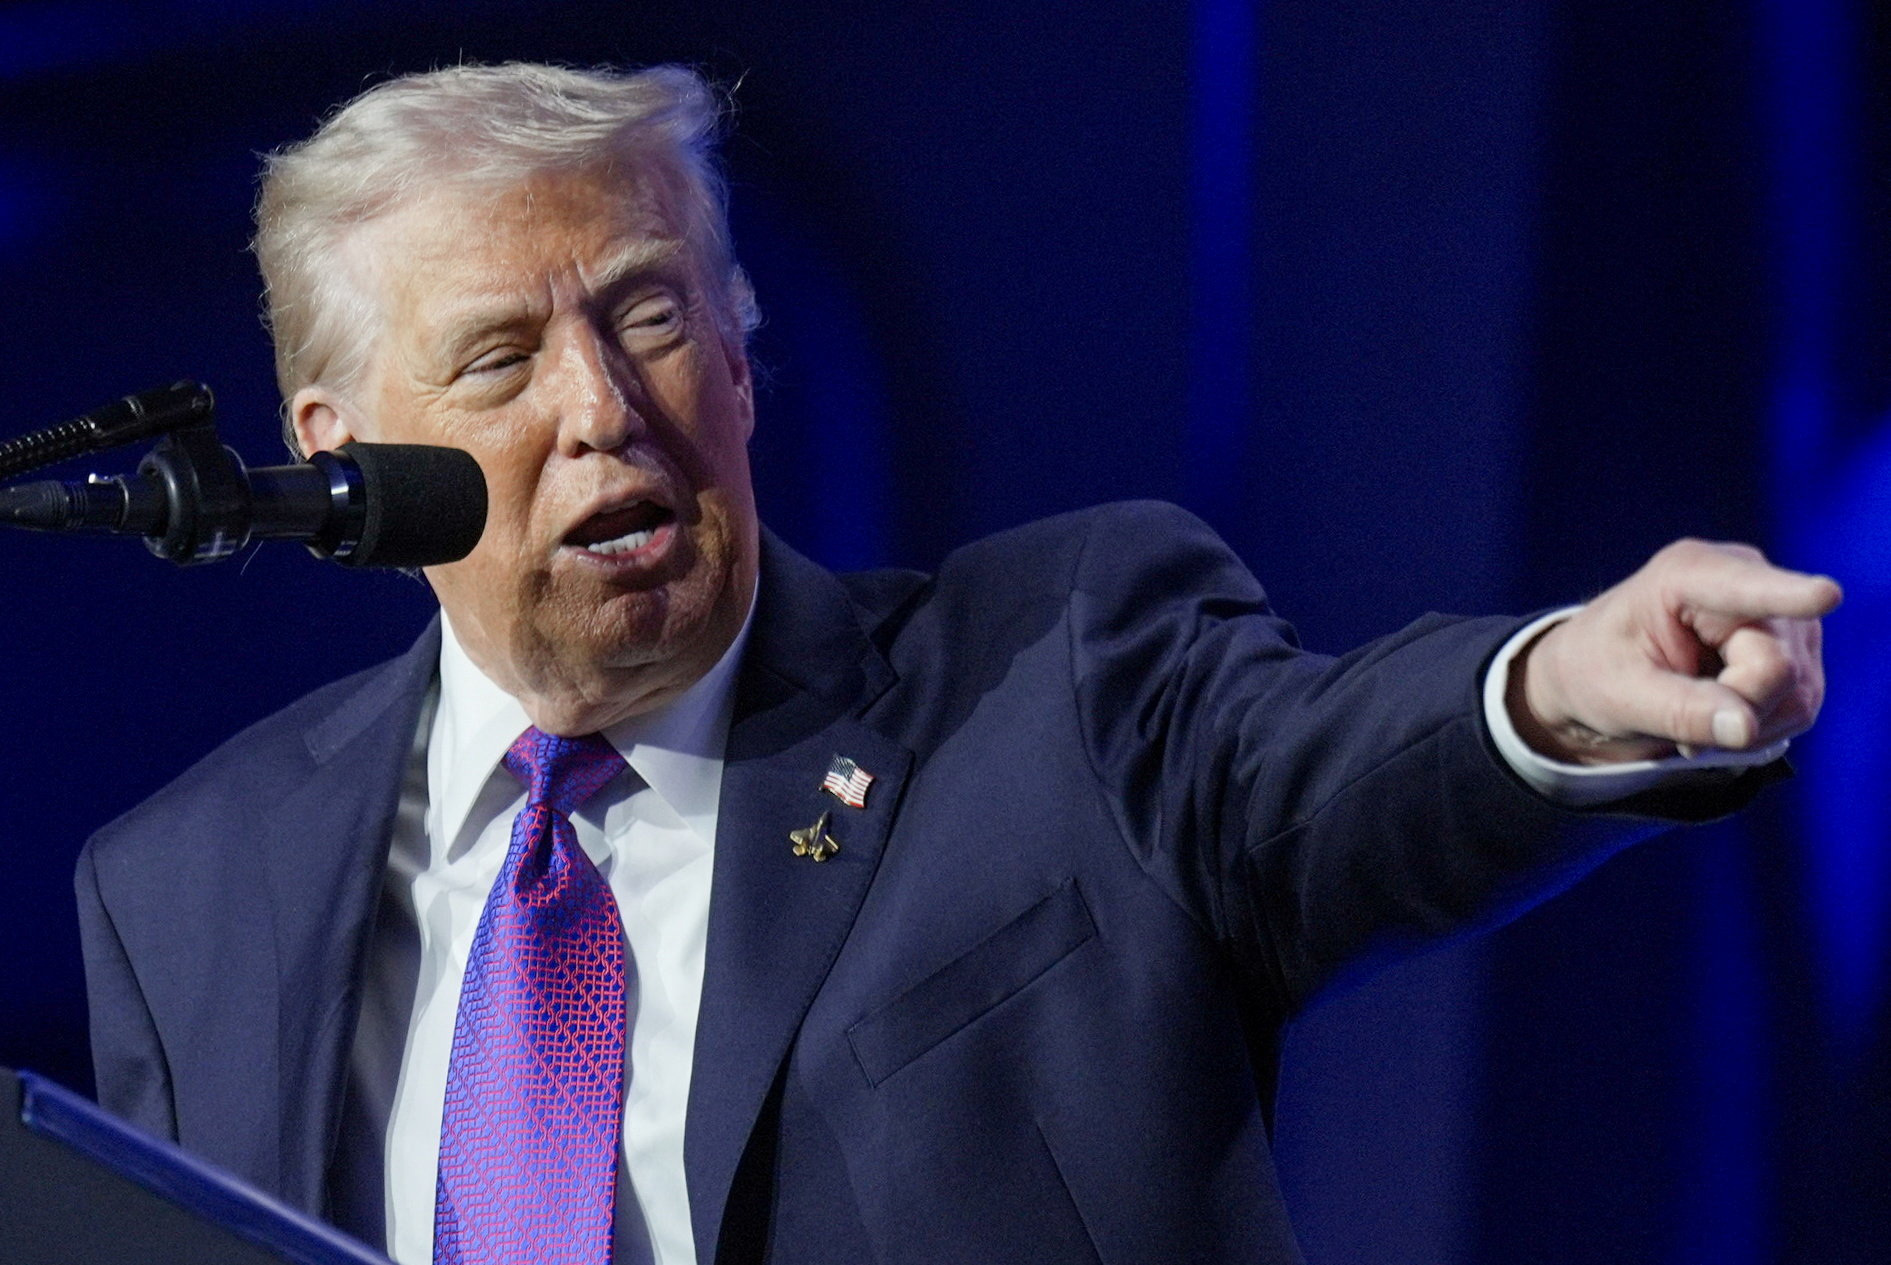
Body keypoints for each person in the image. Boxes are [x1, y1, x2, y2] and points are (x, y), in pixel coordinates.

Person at [74, 63, 1838, 1265]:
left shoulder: (1053, 679)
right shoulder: (191, 893)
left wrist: (1549, 694)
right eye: (497, 361)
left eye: (652, 314)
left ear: (744, 367)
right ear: (343, 453)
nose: (605, 410)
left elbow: (1320, 778)